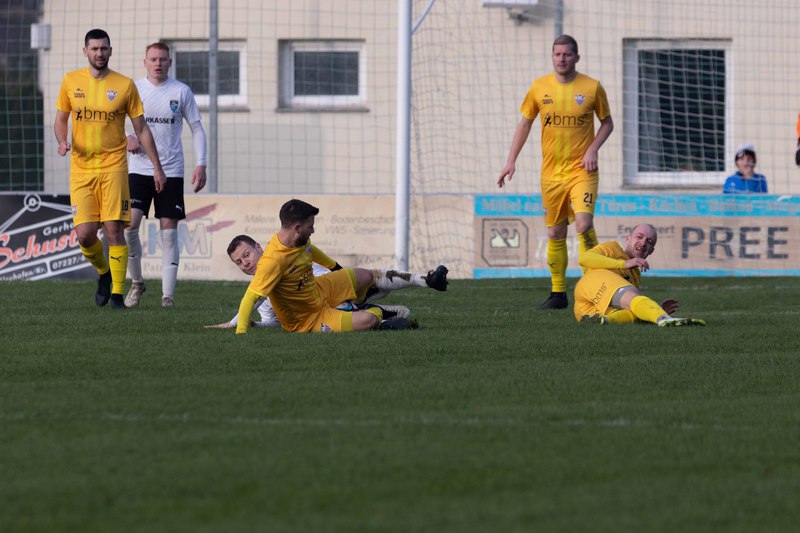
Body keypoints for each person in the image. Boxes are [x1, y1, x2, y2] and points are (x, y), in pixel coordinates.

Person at [497, 34, 614, 311]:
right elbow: (525, 124)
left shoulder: (592, 87)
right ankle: (558, 294)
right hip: (551, 175)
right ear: (552, 56)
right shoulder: (539, 87)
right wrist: (511, 161)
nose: (561, 59)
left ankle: (595, 285)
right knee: (555, 233)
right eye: (557, 54)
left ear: (577, 57)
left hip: (582, 170)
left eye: (567, 54)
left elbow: (607, 123)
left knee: (583, 224)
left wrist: (593, 148)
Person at [54, 29, 166, 309]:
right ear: (85, 51)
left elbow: (141, 128)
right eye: (94, 48)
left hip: (114, 166)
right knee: (85, 234)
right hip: (81, 168)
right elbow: (61, 119)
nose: (99, 53)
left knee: (114, 229)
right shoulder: (70, 81)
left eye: (104, 48)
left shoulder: (125, 85)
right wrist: (62, 140)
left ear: (110, 51)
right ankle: (104, 273)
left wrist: (157, 167)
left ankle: (117, 294)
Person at [232, 199, 449, 334]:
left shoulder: (297, 239)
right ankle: (378, 313)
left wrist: (337, 269)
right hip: (308, 320)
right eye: (310, 226)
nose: (313, 230)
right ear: (297, 228)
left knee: (365, 275)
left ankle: (427, 280)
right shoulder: (272, 262)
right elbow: (250, 298)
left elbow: (311, 250)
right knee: (367, 321)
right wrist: (241, 332)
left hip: (319, 289)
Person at [124, 42, 208, 308]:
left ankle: (167, 297)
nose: (157, 64)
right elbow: (112, 123)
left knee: (169, 232)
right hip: (139, 169)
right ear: (145, 62)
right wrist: (126, 137)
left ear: (170, 62)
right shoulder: (134, 89)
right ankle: (137, 283)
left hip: (171, 170)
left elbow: (197, 128)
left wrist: (201, 163)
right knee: (129, 227)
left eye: (162, 59)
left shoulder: (181, 91)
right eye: (153, 59)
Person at [204, 236, 411, 329]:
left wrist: (235, 323)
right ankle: (379, 313)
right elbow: (275, 323)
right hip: (320, 310)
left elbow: (314, 258)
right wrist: (255, 324)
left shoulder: (278, 259)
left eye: (246, 255)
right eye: (239, 262)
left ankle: (366, 299)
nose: (245, 263)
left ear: (258, 247)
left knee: (339, 302)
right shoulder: (261, 292)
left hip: (330, 291)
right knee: (363, 321)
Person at [573, 223, 705, 327]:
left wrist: (655, 309)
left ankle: (603, 321)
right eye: (639, 237)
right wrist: (624, 263)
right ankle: (663, 318)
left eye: (649, 242)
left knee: (634, 314)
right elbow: (584, 259)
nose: (643, 243)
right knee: (632, 298)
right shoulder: (613, 248)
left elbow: (632, 305)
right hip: (589, 286)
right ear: (628, 238)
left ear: (651, 251)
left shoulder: (635, 275)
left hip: (587, 312)